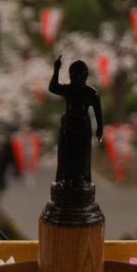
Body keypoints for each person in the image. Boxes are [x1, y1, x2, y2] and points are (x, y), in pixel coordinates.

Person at [49, 57, 103, 187]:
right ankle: (66, 177)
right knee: (67, 153)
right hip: (69, 125)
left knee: (81, 154)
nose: (78, 77)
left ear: (85, 75)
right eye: (75, 74)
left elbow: (98, 113)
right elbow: (53, 87)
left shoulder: (91, 93)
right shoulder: (69, 89)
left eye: (80, 74)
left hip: (82, 126)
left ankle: (81, 177)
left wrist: (100, 128)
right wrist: (56, 69)